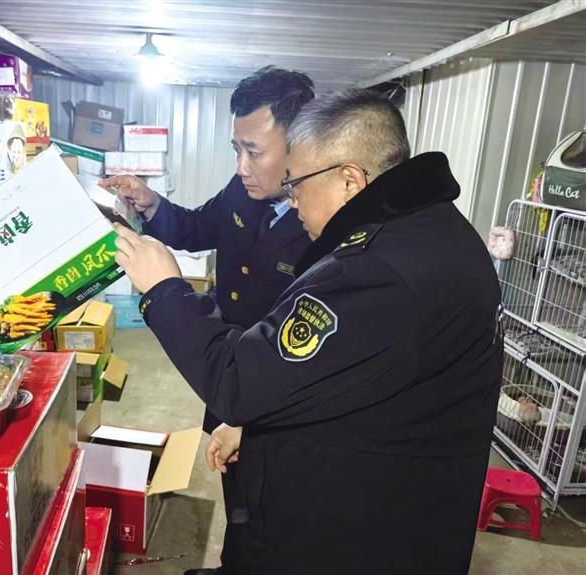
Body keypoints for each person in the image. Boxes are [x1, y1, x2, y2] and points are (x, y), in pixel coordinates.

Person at [113, 89, 503, 575]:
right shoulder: (428, 229)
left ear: (349, 180)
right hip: (350, 482)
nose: (291, 199)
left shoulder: (378, 271)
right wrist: (256, 424)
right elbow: (342, 371)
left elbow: (238, 380)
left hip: (357, 531)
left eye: (296, 184)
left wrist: (165, 291)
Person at [100, 66, 314, 575]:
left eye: (253, 152)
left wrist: (250, 418)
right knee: (234, 490)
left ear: (301, 143)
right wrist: (150, 203)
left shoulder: (323, 224)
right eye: (236, 149)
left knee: (272, 504)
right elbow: (197, 227)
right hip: (226, 368)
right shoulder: (245, 188)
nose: (241, 166)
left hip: (276, 393)